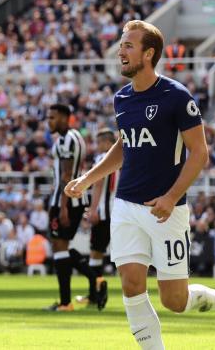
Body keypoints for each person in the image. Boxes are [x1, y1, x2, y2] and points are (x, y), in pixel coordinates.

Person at [65, 20, 215, 349]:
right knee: (131, 286)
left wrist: (171, 196)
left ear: (148, 54)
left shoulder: (176, 96)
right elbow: (124, 147)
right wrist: (87, 178)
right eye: (121, 44)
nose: (120, 51)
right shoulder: (122, 98)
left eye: (128, 45)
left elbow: (200, 153)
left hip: (166, 210)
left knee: (174, 301)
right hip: (125, 206)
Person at [44, 104, 105, 312]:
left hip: (66, 201)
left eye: (52, 117)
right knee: (61, 247)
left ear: (63, 117)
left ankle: (65, 302)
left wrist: (62, 207)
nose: (48, 121)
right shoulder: (72, 138)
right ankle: (91, 281)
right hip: (71, 200)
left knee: (59, 247)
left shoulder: (68, 139)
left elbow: (66, 176)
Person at [76, 128, 119, 309]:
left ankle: (97, 292)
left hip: (103, 213)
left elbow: (99, 184)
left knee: (96, 253)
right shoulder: (124, 156)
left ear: (107, 142)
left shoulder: (103, 158)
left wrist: (93, 209)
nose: (98, 145)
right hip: (120, 213)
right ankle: (97, 292)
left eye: (99, 142)